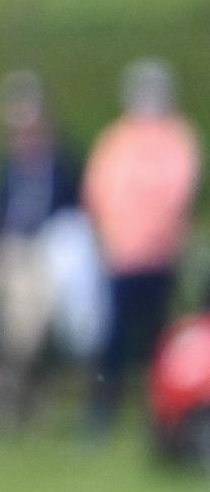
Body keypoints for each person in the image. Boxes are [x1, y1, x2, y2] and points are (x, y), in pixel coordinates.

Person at [83, 57, 200, 440]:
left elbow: (178, 191)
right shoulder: (118, 139)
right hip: (121, 254)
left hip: (160, 254)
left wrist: (154, 234)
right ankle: (104, 408)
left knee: (158, 337)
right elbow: (100, 191)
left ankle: (160, 414)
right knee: (114, 335)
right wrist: (113, 237)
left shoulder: (177, 138)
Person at [0, 70, 82, 429]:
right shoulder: (5, 168)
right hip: (11, 249)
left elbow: (73, 214)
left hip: (51, 249)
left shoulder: (62, 163)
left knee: (38, 308)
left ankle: (11, 382)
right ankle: (13, 384)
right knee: (22, 306)